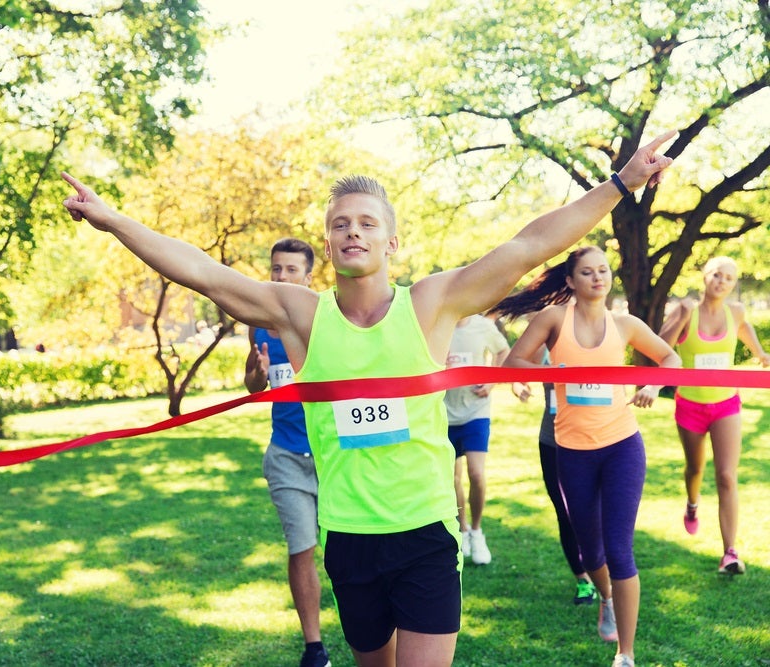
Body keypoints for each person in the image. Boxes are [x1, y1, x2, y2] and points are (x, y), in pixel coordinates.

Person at [61, 131, 675, 667]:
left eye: (366, 223)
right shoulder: (298, 314)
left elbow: (529, 245)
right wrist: (114, 219)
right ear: (327, 245)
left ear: (392, 243)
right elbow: (202, 273)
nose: (352, 231)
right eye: (339, 224)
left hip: (426, 532)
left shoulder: (430, 304)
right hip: (350, 537)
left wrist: (620, 183)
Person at [495, 246, 681, 667]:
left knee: (619, 550)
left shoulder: (626, 324)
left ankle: (625, 654)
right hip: (573, 452)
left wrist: (653, 384)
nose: (598, 278)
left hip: (621, 446)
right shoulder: (554, 320)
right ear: (570, 281)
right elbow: (514, 361)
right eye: (587, 272)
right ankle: (606, 597)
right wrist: (551, 375)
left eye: (603, 270)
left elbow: (671, 357)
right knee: (589, 550)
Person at [243, 237, 331, 667]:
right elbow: (255, 386)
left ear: (308, 277)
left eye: (291, 270)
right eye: (276, 269)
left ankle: (366, 631)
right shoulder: (258, 323)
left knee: (349, 551)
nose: (281, 277)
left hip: (332, 457)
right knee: (301, 547)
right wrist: (253, 374)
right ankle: (314, 647)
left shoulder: (324, 319)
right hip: (285, 456)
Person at [658, 255, 770, 575]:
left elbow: (745, 329)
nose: (721, 282)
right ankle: (692, 504)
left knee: (726, 475)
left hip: (726, 404)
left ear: (734, 284)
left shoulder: (736, 312)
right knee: (695, 468)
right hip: (690, 406)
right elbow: (660, 346)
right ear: (704, 277)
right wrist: (679, 318)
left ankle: (730, 552)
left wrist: (761, 354)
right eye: (716, 275)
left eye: (729, 278)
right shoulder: (686, 311)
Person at [511, 347, 599, 605]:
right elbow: (517, 369)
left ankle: (605, 572)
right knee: (565, 511)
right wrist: (518, 386)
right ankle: (583, 579)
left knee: (594, 511)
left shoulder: (594, 338)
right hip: (552, 440)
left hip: (592, 439)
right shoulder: (545, 343)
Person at [444, 314, 509, 565]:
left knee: (476, 473)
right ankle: (462, 530)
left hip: (475, 412)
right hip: (444, 413)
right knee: (452, 479)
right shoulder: (439, 323)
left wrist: (491, 382)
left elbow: (503, 352)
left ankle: (477, 531)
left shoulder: (483, 326)